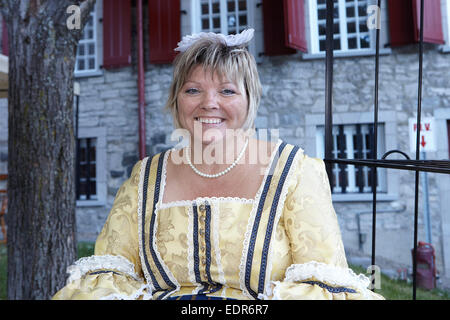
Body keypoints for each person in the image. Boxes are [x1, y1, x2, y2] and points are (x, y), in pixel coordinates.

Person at [52, 29, 383, 300]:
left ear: (250, 99)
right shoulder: (146, 177)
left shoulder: (295, 172)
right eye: (193, 89)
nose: (209, 103)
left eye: (227, 90)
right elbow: (111, 275)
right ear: (176, 99)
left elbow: (323, 285)